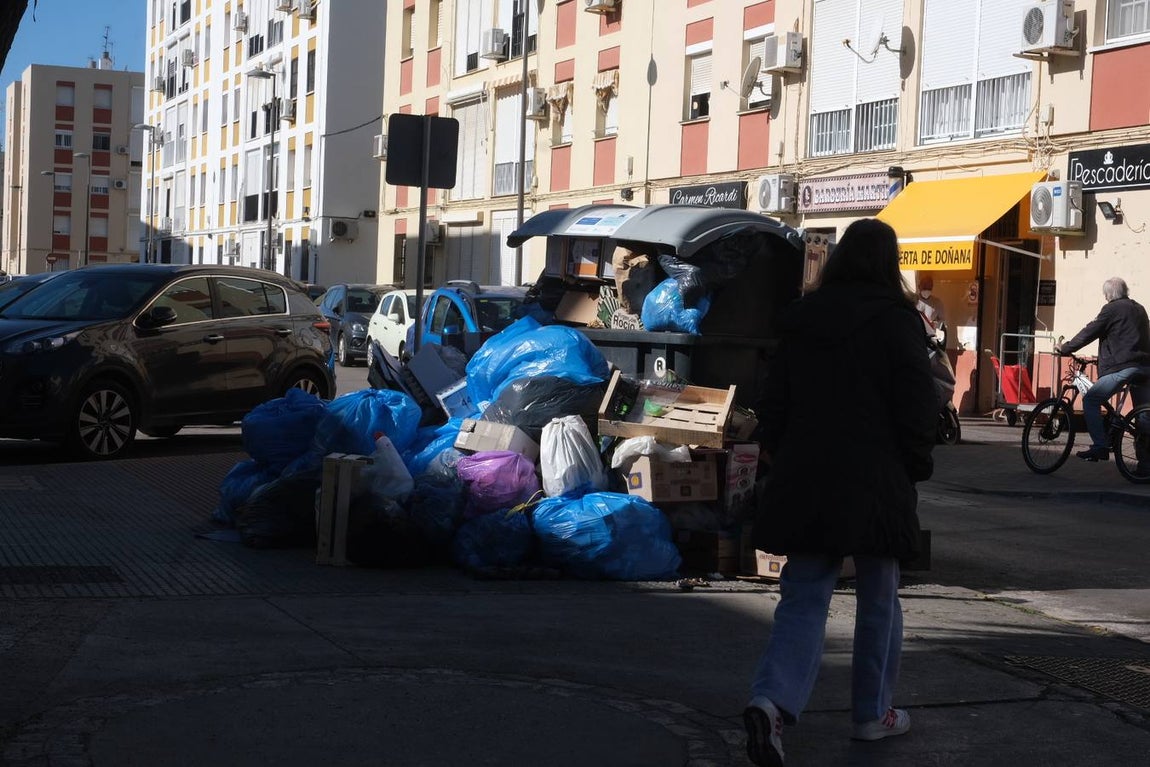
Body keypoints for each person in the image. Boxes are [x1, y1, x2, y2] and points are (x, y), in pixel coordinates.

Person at [744, 218, 937, 767]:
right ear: (888, 262)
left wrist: (782, 453)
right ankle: (873, 715)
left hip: (808, 474)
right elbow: (917, 407)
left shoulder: (802, 320)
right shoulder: (898, 322)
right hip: (876, 477)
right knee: (879, 597)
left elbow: (772, 403)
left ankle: (772, 704)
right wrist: (915, 464)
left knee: (802, 598)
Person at [1053, 277, 1150, 462]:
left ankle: (1100, 446)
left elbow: (1089, 331)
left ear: (1108, 294)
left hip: (1123, 367)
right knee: (1144, 418)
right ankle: (1145, 468)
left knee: (1091, 399)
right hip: (1145, 367)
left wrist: (1066, 348)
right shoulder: (1139, 308)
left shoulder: (1111, 309)